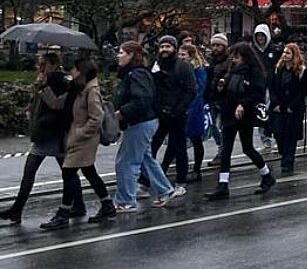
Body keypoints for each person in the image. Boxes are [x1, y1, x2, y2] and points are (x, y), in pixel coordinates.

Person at [39, 58, 114, 230]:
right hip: (75, 137)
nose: (70, 72)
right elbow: (57, 103)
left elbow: (97, 117)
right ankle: (107, 204)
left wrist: (80, 134)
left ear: (82, 71)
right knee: (89, 171)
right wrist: (43, 86)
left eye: (74, 69)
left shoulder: (91, 91)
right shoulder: (76, 89)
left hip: (83, 140)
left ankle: (63, 213)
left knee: (68, 172)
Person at [0, 53, 74, 223]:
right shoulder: (45, 80)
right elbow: (38, 102)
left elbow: (56, 104)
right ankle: (17, 209)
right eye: (39, 64)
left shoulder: (62, 81)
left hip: (53, 133)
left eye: (43, 64)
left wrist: (43, 86)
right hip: (44, 132)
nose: (40, 68)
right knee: (63, 171)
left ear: (53, 64)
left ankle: (18, 209)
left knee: (63, 172)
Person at [113, 42, 182, 212]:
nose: (118, 55)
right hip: (146, 120)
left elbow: (142, 99)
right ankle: (164, 190)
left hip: (139, 121)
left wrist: (122, 112)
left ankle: (125, 201)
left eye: (121, 52)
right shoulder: (136, 73)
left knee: (126, 161)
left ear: (131, 55)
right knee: (145, 159)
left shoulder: (136, 74)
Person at [205, 42, 274, 200]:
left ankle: (266, 175)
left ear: (245, 57)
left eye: (237, 57)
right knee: (226, 149)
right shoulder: (231, 71)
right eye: (233, 57)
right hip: (230, 114)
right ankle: (223, 185)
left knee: (247, 148)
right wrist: (219, 88)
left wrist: (243, 104)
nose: (234, 60)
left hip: (244, 116)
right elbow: (223, 92)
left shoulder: (254, 72)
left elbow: (257, 93)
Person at [150, 35, 197, 186]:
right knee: (152, 147)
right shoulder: (156, 65)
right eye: (162, 47)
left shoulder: (183, 66)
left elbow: (191, 90)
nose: (164, 49)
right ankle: (146, 180)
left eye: (168, 46)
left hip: (177, 114)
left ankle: (181, 181)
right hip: (160, 114)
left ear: (174, 48)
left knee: (179, 148)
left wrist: (178, 110)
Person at [270, 43, 307, 175]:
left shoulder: (301, 70)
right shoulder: (277, 69)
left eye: (288, 53)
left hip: (293, 108)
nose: (285, 55)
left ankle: (288, 161)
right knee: (278, 132)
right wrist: (275, 103)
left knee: (290, 135)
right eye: (284, 53)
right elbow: (272, 87)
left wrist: (293, 106)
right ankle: (283, 152)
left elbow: (302, 91)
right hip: (279, 106)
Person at [251, 23, 282, 150]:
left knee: (271, 111)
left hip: (272, 86)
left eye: (262, 36)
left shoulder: (275, 50)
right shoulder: (253, 51)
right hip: (258, 86)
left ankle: (275, 136)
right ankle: (264, 138)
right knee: (261, 112)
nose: (260, 39)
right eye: (258, 36)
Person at [180, 44, 208, 183]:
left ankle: (197, 170)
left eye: (183, 55)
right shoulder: (181, 69)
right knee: (181, 141)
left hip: (194, 108)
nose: (180, 57)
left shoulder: (198, 70)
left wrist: (189, 108)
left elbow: (198, 90)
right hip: (184, 107)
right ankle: (183, 169)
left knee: (196, 139)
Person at [203, 34, 231, 164]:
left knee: (223, 127)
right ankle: (221, 148)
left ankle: (222, 152)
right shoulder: (209, 60)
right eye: (213, 45)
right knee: (213, 126)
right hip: (211, 98)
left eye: (218, 45)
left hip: (224, 98)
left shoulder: (229, 61)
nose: (215, 48)